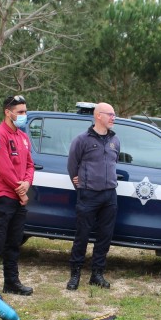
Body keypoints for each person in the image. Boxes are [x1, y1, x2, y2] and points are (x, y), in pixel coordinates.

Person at [0, 95, 35, 296]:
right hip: (1, 197)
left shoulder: (22, 137)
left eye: (25, 111)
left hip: (18, 197)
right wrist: (20, 190)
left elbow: (30, 165)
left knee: (14, 242)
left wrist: (27, 183)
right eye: (20, 112)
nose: (23, 115)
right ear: (8, 112)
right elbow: (4, 168)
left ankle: (11, 281)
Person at [65, 102, 120, 290]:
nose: (114, 117)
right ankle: (75, 274)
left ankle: (97, 274)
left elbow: (115, 161)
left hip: (109, 196)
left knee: (105, 236)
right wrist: (81, 188)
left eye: (114, 114)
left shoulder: (115, 140)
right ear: (98, 116)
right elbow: (72, 166)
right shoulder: (82, 140)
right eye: (110, 114)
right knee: (82, 235)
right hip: (88, 195)